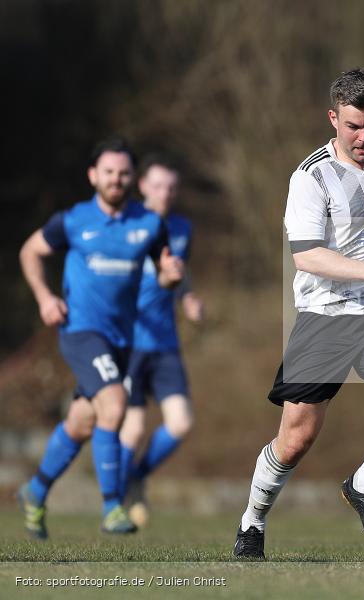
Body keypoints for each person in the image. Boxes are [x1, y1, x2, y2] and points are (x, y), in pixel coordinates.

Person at [232, 68, 364, 560]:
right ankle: (253, 522)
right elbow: (306, 255)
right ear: (333, 119)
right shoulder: (311, 177)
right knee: (296, 438)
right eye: (353, 126)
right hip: (323, 316)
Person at [17, 138, 184, 537]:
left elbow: (162, 271)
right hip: (80, 332)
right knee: (114, 404)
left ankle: (35, 491)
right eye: (108, 172)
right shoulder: (73, 221)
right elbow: (30, 251)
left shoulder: (148, 224)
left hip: (122, 340)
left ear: (132, 178)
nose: (116, 179)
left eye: (124, 172)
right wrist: (44, 298)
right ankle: (112, 506)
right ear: (93, 175)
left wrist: (170, 276)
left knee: (82, 420)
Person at [118, 154, 203, 528]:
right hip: (131, 341)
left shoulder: (182, 227)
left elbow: (179, 273)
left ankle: (136, 477)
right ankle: (116, 500)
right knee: (132, 428)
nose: (165, 193)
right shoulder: (128, 224)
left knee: (181, 423)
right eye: (157, 185)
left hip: (165, 342)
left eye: (171, 187)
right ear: (142, 187)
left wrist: (187, 299)